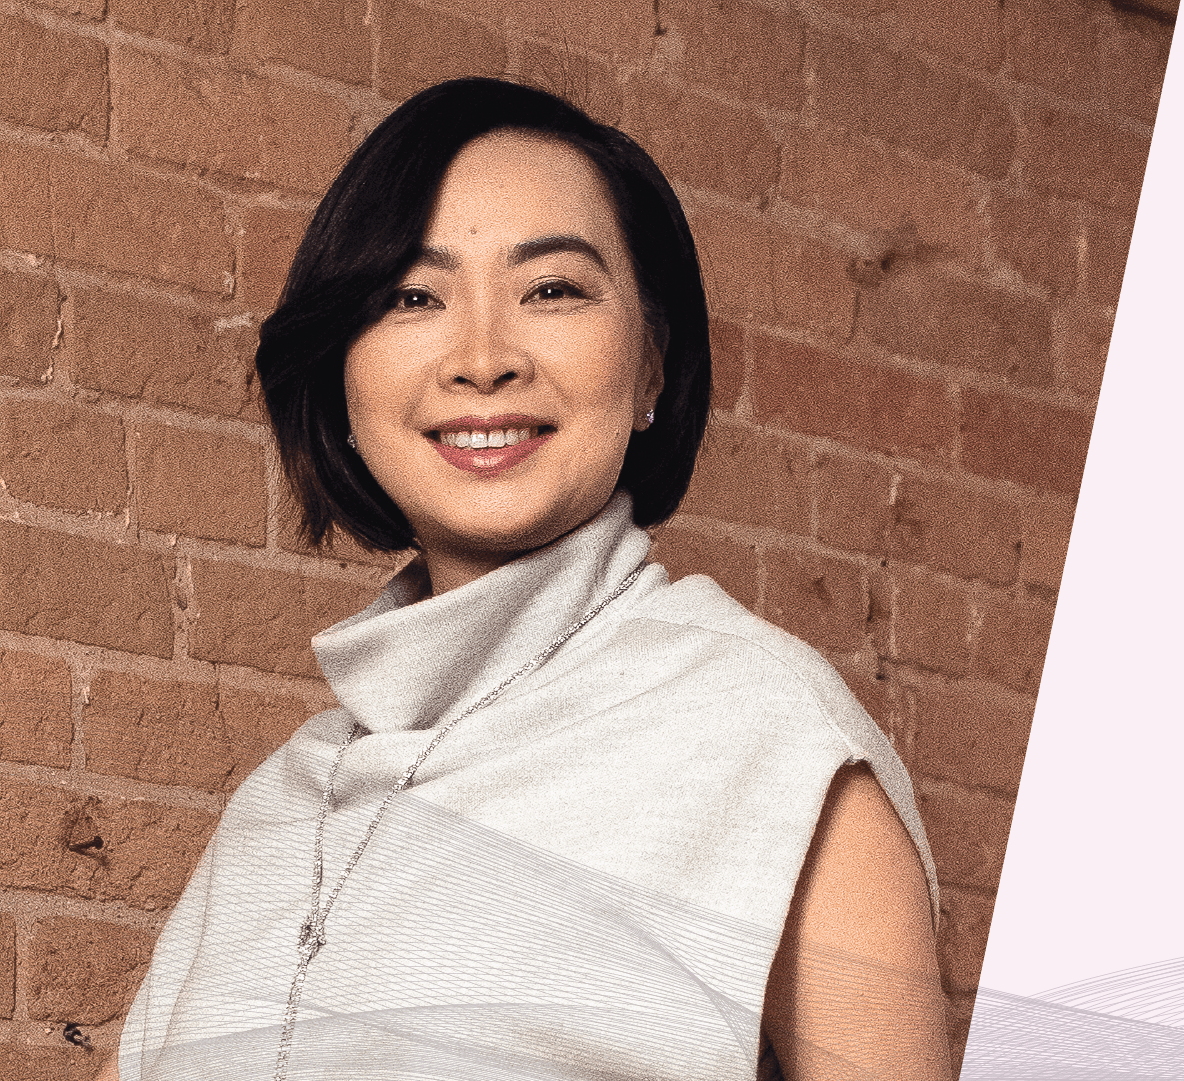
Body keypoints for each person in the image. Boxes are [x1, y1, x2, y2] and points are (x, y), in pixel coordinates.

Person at [98, 78, 951, 1081]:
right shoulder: (278, 809)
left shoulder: (770, 741)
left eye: (552, 289)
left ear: (652, 369)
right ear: (340, 375)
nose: (483, 359)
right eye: (412, 297)